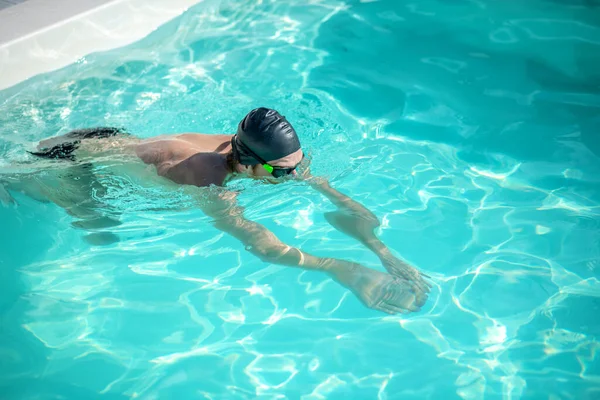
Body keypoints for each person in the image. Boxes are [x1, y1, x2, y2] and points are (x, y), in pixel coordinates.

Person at [1, 107, 431, 314]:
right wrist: (339, 267)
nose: (297, 175)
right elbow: (259, 245)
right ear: (246, 163)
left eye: (297, 165)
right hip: (69, 156)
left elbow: (333, 195)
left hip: (112, 136)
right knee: (99, 230)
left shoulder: (263, 153)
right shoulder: (206, 177)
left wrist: (380, 250)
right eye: (282, 173)